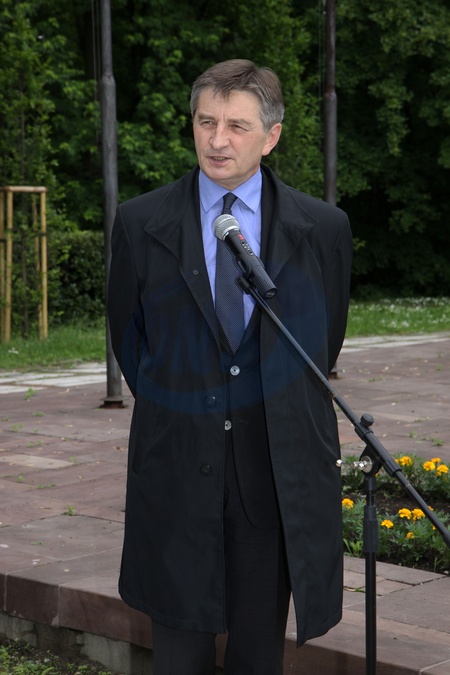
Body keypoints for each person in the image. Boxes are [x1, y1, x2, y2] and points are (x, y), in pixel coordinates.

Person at [108, 59, 353, 675]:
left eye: (237, 126)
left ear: (271, 137)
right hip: (177, 466)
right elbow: (131, 344)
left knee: (257, 653)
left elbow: (321, 347)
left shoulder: (322, 229)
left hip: (270, 475)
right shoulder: (139, 222)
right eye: (206, 122)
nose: (218, 140)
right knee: (178, 656)